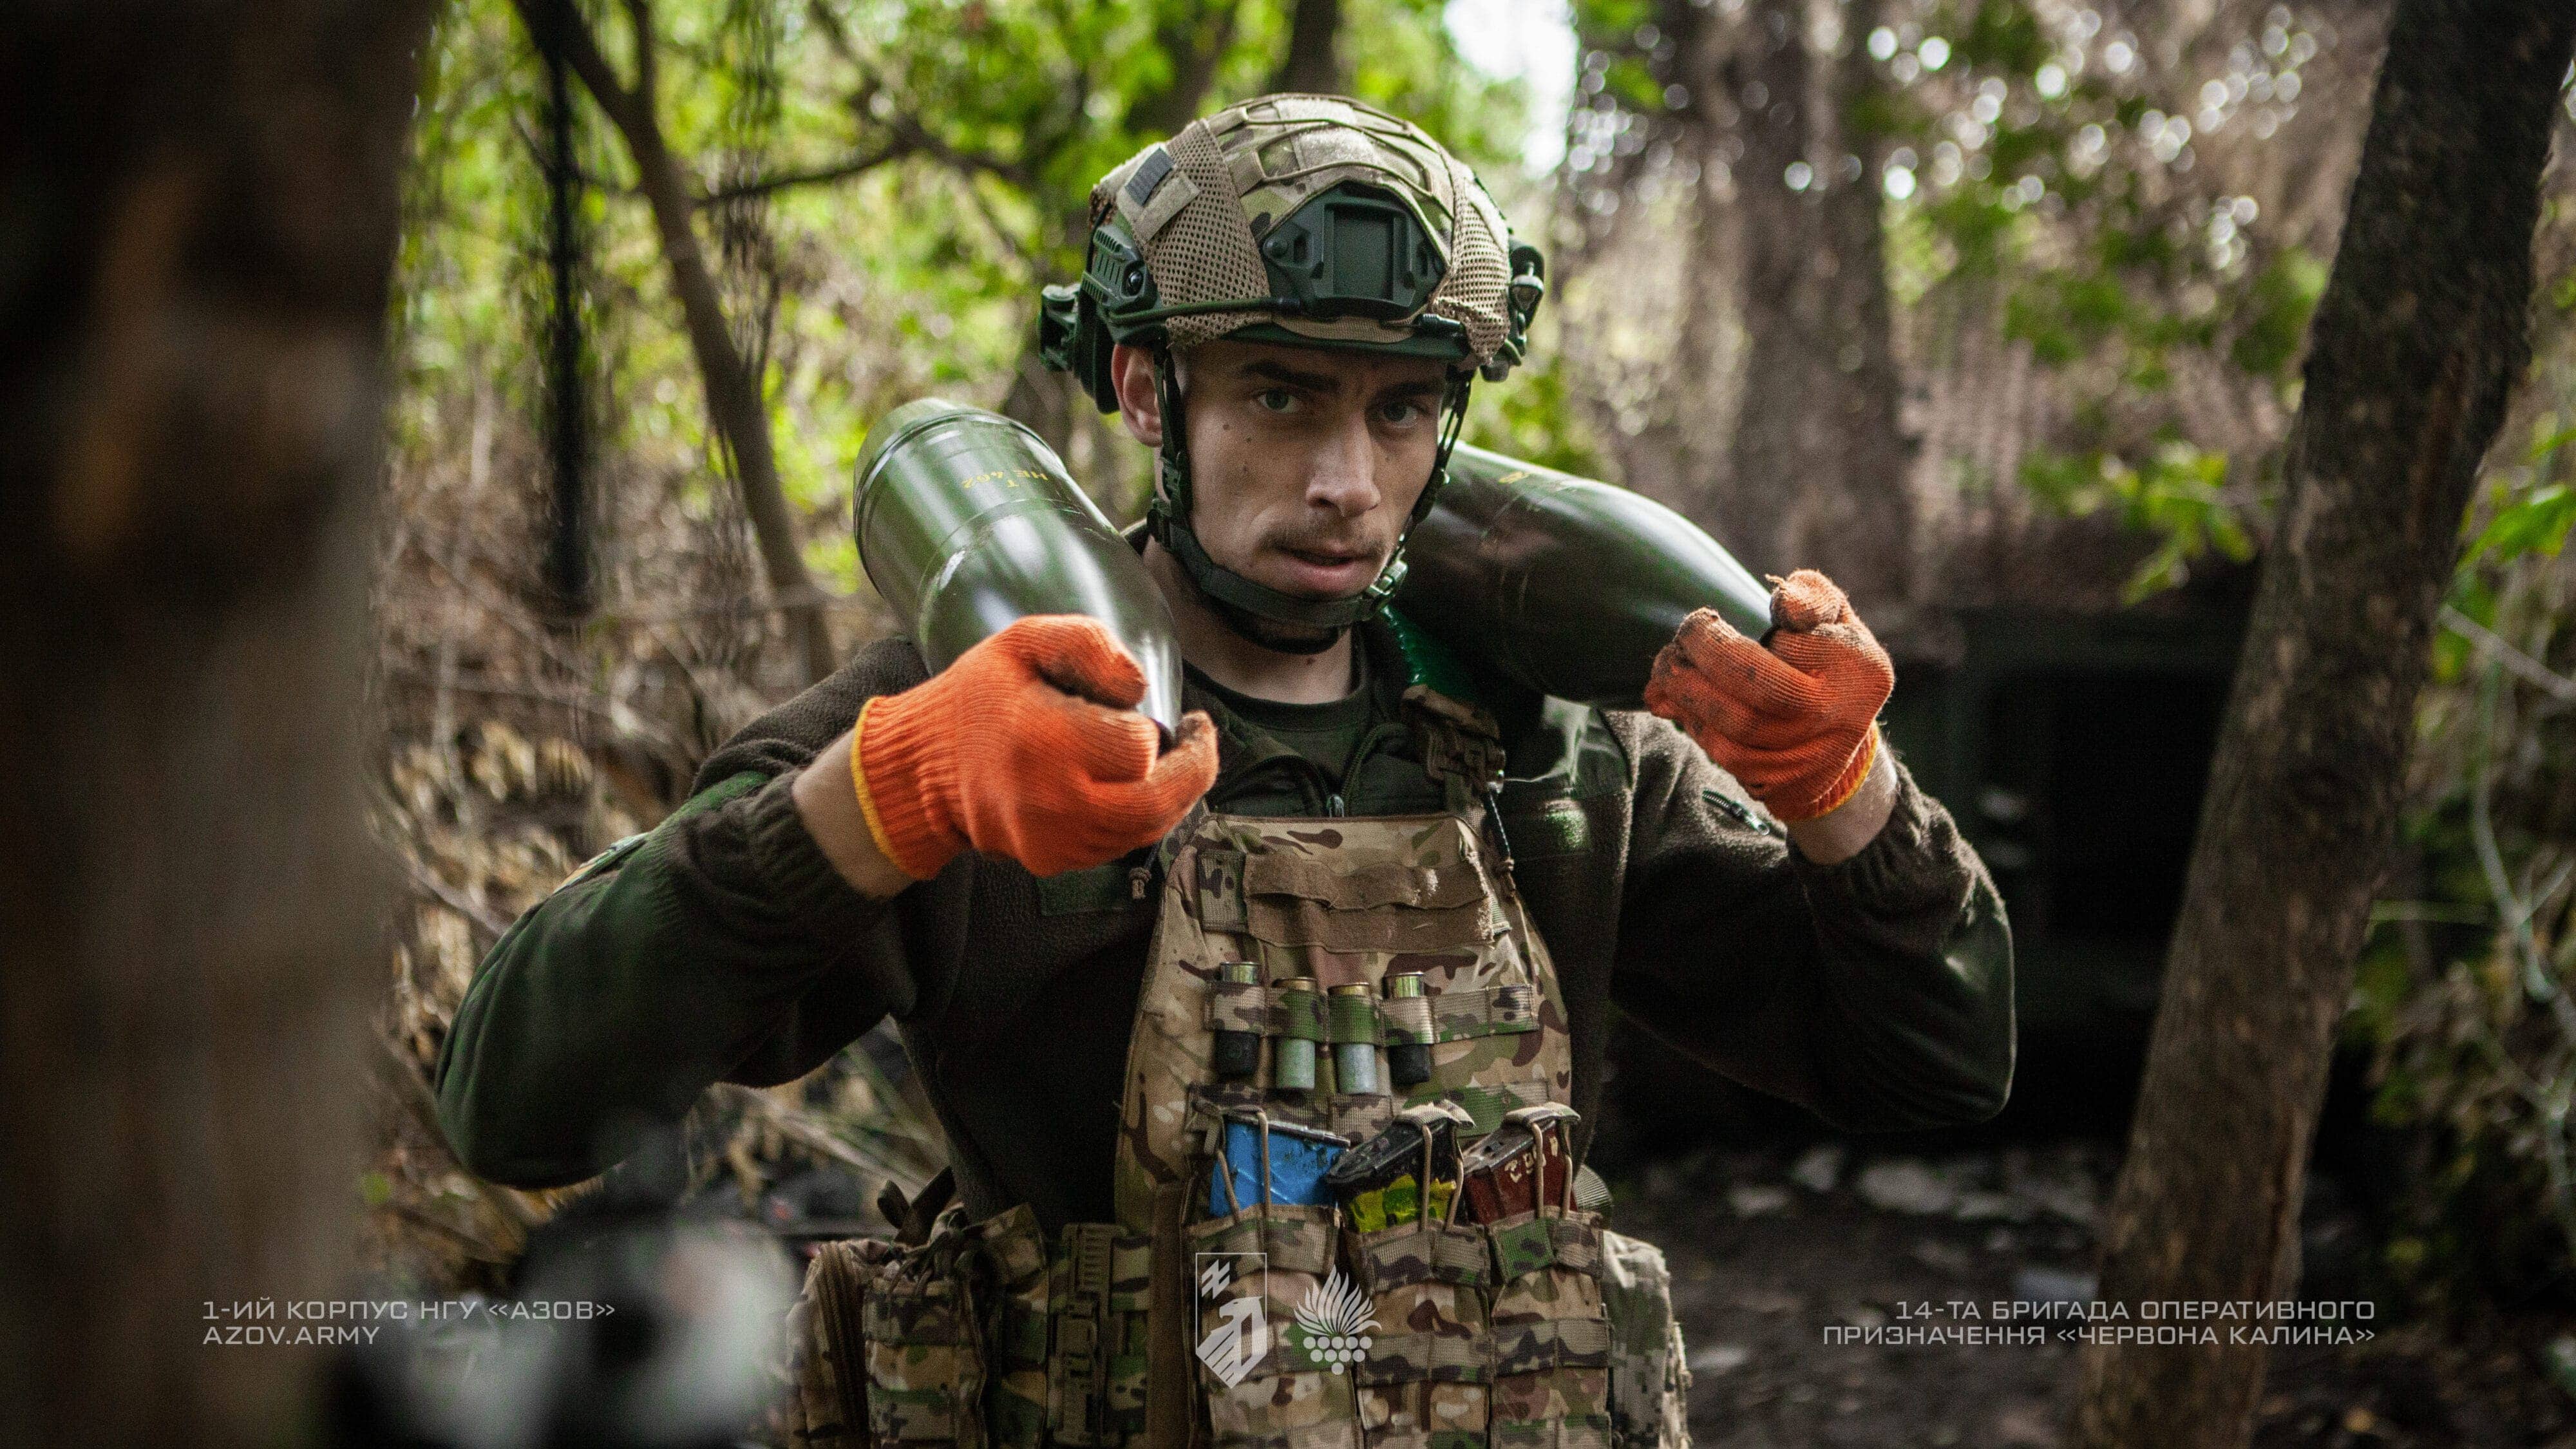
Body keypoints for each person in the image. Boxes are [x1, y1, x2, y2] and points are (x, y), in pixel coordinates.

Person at [435, 93, 2011, 1449]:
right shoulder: (983, 722)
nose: (1345, 482)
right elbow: (512, 1099)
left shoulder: (1543, 754)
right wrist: (886, 796)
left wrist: (1837, 789)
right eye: (1278, 395)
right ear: (1141, 391)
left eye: (1400, 411)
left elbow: (1928, 1064)